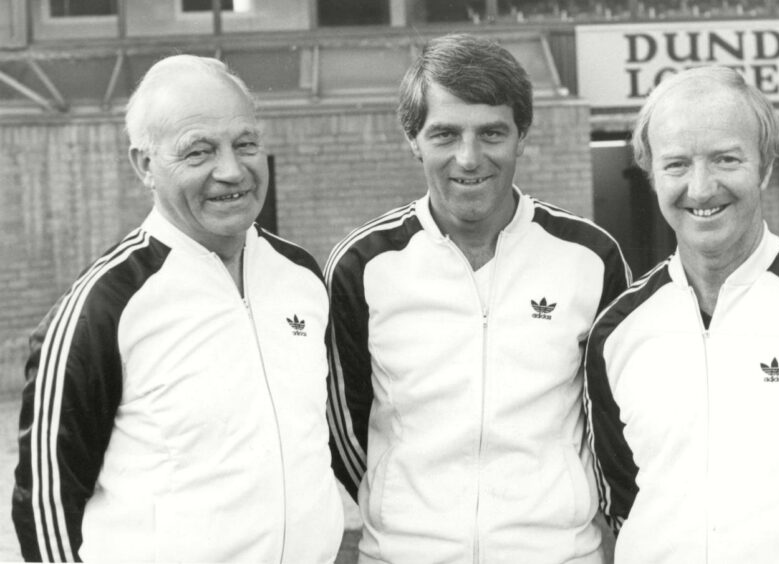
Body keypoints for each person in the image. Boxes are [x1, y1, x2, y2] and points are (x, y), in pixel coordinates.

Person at [11, 55, 344, 562]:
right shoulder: (103, 306)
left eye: (246, 144)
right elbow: (46, 508)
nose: (231, 171)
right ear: (144, 165)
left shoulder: (300, 276)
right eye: (199, 152)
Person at [326, 33, 630, 564]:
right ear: (412, 138)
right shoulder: (364, 265)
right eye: (444, 134)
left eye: (492, 132)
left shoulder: (590, 256)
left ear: (522, 136)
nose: (469, 158)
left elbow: (615, 420)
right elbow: (342, 433)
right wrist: (411, 521)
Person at [585, 65, 779, 563]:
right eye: (677, 165)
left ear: (765, 166)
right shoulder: (616, 332)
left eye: (726, 159)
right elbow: (623, 498)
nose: (702, 187)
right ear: (651, 173)